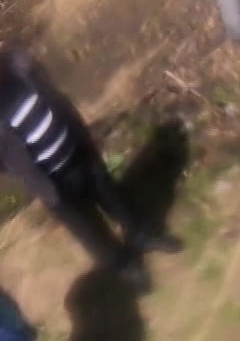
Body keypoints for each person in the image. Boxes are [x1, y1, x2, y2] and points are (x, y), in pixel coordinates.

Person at [0, 45, 179, 291]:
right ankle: (125, 265)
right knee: (90, 230)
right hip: (52, 184)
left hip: (78, 149)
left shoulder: (19, 66)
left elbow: (53, 94)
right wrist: (22, 169)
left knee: (113, 196)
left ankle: (143, 234)